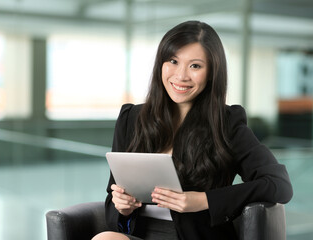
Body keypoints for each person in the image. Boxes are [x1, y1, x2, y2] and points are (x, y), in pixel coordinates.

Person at [92, 20, 293, 240]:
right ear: (161, 63)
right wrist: (123, 207)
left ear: (211, 73)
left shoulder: (226, 124)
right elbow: (113, 201)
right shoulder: (132, 119)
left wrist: (203, 200)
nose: (181, 76)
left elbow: (279, 184)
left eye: (195, 66)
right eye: (173, 61)